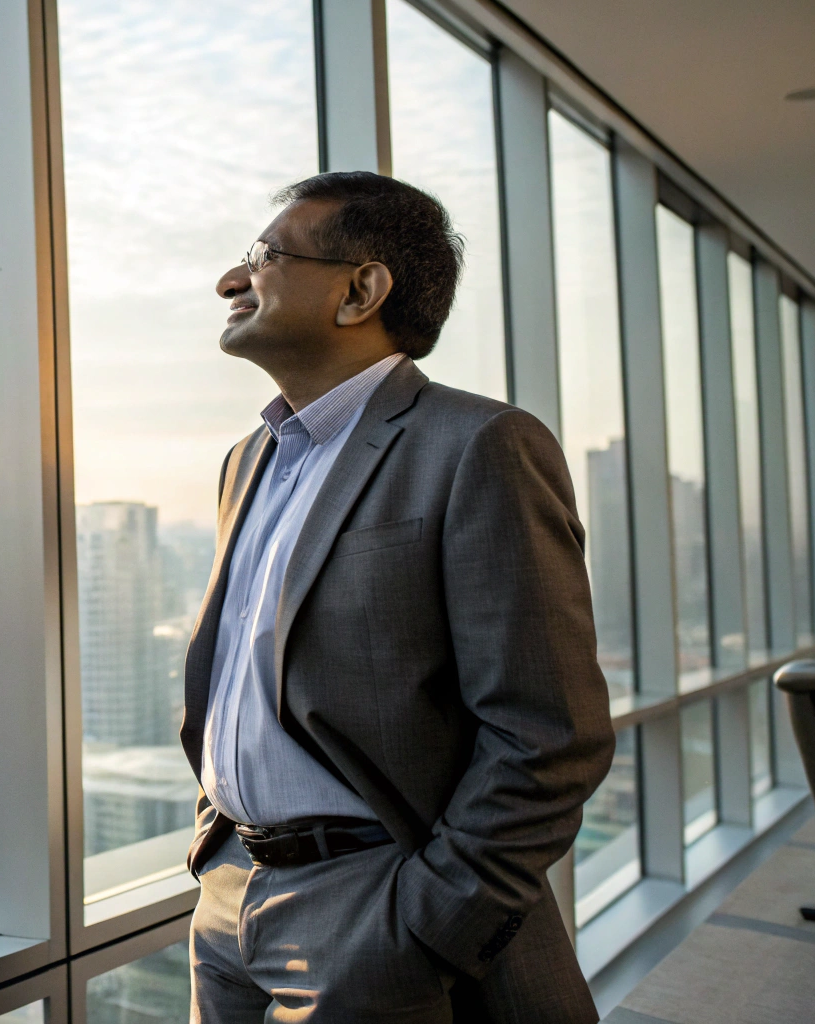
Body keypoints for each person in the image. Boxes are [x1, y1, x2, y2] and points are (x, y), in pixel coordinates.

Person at [182, 171, 614, 1023]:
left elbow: (549, 733)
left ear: (361, 290)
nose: (231, 280)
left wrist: (431, 924)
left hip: (374, 910)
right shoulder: (247, 461)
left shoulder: (479, 445)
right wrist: (219, 841)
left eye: (263, 257)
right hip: (228, 896)